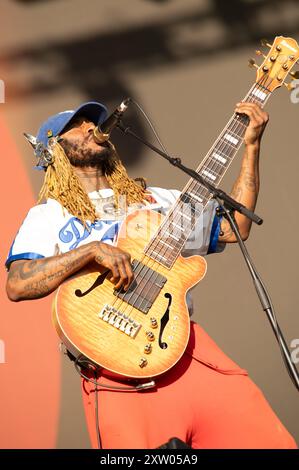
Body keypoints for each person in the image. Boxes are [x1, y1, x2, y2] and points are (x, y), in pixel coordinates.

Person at [5, 100, 296, 449]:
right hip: (116, 373)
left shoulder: (154, 199)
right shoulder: (49, 216)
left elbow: (235, 228)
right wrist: (89, 250)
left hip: (186, 352)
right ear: (54, 147)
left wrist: (251, 146)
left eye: (92, 121)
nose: (90, 127)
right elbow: (18, 283)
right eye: (78, 124)